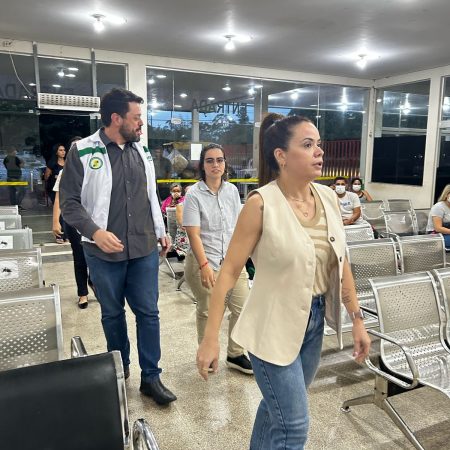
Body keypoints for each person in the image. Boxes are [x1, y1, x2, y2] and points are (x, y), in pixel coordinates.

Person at [196, 113, 371, 450]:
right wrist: (210, 338)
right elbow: (229, 271)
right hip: (271, 325)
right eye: (307, 145)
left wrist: (357, 319)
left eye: (318, 144)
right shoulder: (261, 204)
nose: (319, 151)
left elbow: (341, 261)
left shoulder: (328, 198)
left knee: (276, 408)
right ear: (281, 155)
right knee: (294, 425)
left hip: (313, 322)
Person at [60, 87, 176, 405]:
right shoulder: (83, 151)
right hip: (102, 252)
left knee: (149, 313)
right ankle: (119, 370)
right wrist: (95, 232)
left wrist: (161, 230)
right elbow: (69, 203)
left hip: (143, 248)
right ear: (116, 118)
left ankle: (151, 377)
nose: (141, 123)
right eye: (136, 117)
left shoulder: (143, 152)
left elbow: (150, 195)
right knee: (112, 314)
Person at [184, 143, 253, 374]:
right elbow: (193, 234)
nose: (216, 165)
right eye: (210, 160)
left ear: (225, 164)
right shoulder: (194, 194)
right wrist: (204, 265)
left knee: (243, 307)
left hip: (231, 261)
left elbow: (238, 227)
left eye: (220, 160)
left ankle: (235, 354)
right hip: (204, 261)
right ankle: (208, 354)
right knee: (207, 311)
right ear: (202, 166)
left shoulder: (232, 191)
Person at [52, 136, 92, 309]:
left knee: (96, 255)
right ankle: (82, 293)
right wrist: (55, 222)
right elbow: (58, 198)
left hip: (94, 221)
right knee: (79, 257)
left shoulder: (95, 168)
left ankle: (94, 282)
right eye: (74, 147)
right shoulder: (65, 172)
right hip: (74, 221)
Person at [427, 184, 450, 248]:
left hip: (447, 233)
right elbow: (438, 228)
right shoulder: (439, 207)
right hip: (435, 235)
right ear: (446, 194)